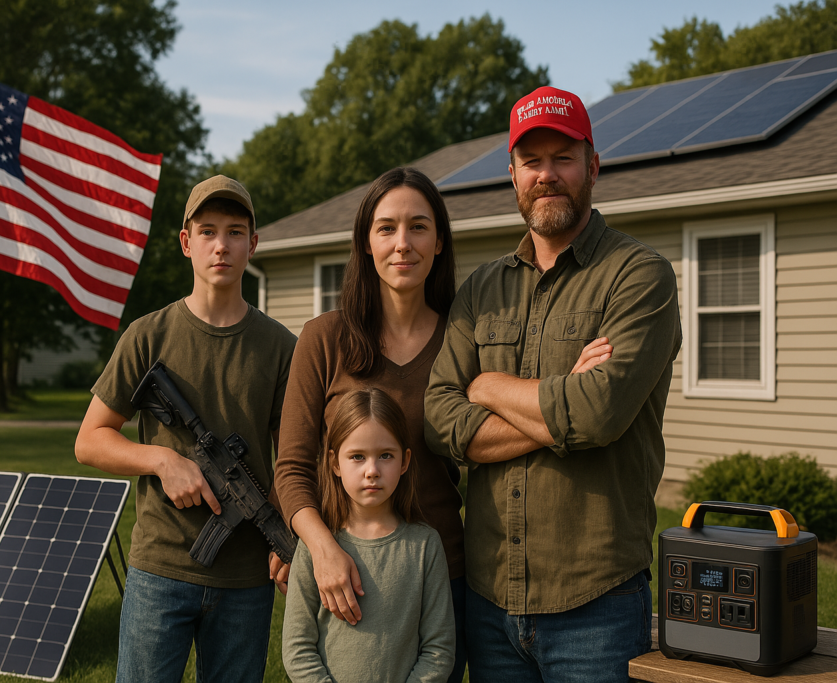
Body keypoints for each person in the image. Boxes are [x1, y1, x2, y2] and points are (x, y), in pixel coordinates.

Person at [424, 85, 682, 682]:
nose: (547, 175)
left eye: (563, 158)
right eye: (531, 161)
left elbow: (600, 415)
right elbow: (439, 417)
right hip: (489, 601)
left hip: (596, 603)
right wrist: (562, 398)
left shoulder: (639, 276)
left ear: (593, 166)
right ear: (511, 175)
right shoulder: (482, 289)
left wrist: (486, 386)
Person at [74, 175, 297, 683]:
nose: (222, 245)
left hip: (246, 578)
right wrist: (162, 460)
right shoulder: (148, 335)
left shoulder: (281, 346)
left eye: (236, 232)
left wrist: (288, 539)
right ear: (186, 242)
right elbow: (90, 441)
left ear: (253, 244)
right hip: (161, 568)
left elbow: (292, 458)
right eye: (209, 231)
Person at [272, 167, 470, 681]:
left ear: (440, 241)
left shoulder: (465, 340)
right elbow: (292, 468)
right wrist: (321, 550)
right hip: (344, 574)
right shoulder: (323, 339)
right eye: (386, 228)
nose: (402, 243)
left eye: (419, 226)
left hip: (438, 578)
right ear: (365, 242)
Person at [283, 388, 455, 683]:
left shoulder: (425, 546)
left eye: (385, 455)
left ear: (404, 461)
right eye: (358, 457)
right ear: (335, 463)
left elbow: (439, 649)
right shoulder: (316, 547)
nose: (372, 470)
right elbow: (297, 649)